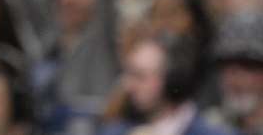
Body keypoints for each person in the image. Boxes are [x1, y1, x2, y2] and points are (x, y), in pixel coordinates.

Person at [98, 35, 232, 135]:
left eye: (140, 76)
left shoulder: (211, 132)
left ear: (172, 80)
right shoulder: (117, 130)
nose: (128, 85)